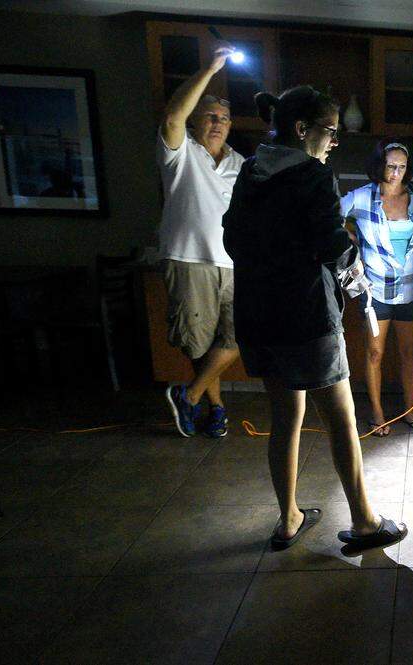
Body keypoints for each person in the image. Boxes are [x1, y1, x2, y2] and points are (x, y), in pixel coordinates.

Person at [222, 86, 407, 551]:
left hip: (258, 317)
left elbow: (231, 239)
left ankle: (288, 520)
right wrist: (357, 279)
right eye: (330, 131)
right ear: (302, 130)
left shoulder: (251, 172)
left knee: (286, 416)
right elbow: (332, 245)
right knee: (342, 417)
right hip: (305, 317)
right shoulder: (312, 175)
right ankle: (366, 522)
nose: (334, 141)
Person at [158, 42, 245, 439]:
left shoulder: (239, 163)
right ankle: (217, 410)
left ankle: (189, 396)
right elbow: (173, 113)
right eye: (209, 115)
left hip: (234, 265)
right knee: (197, 345)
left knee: (236, 338)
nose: (217, 122)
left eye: (224, 118)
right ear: (195, 120)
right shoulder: (179, 153)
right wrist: (210, 69)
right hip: (190, 260)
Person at [340, 141, 413, 436]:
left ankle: (409, 411)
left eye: (402, 167)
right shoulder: (362, 197)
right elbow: (331, 218)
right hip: (375, 290)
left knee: (409, 352)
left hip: (409, 289)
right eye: (390, 166)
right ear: (380, 165)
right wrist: (353, 240)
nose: (396, 173)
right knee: (374, 353)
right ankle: (377, 413)